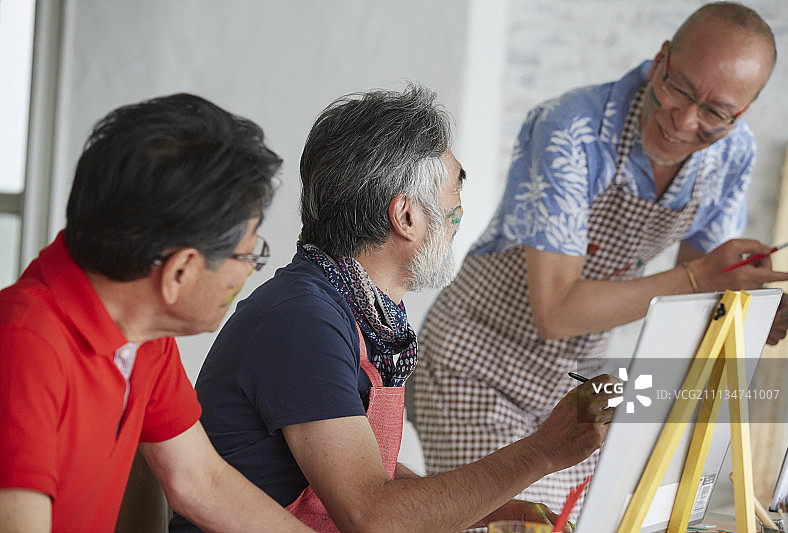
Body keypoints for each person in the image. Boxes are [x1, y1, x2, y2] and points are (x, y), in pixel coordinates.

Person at [170, 85, 620, 533]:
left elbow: (364, 467)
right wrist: (545, 449)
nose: (459, 211)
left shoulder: (359, 310)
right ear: (406, 216)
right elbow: (373, 517)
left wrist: (483, 508)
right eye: (455, 187)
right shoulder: (303, 320)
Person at [411, 1, 788, 516]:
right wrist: (698, 278)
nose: (685, 121)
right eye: (680, 89)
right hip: (477, 363)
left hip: (576, 378)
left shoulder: (733, 152)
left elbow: (704, 294)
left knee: (600, 518)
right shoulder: (571, 129)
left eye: (714, 112)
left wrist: (744, 308)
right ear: (660, 60)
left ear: (740, 114)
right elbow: (556, 312)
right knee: (517, 522)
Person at [0, 93, 313, 532]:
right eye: (247, 257)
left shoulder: (143, 335)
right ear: (180, 271)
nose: (248, 272)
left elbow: (200, 481)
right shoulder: (24, 345)